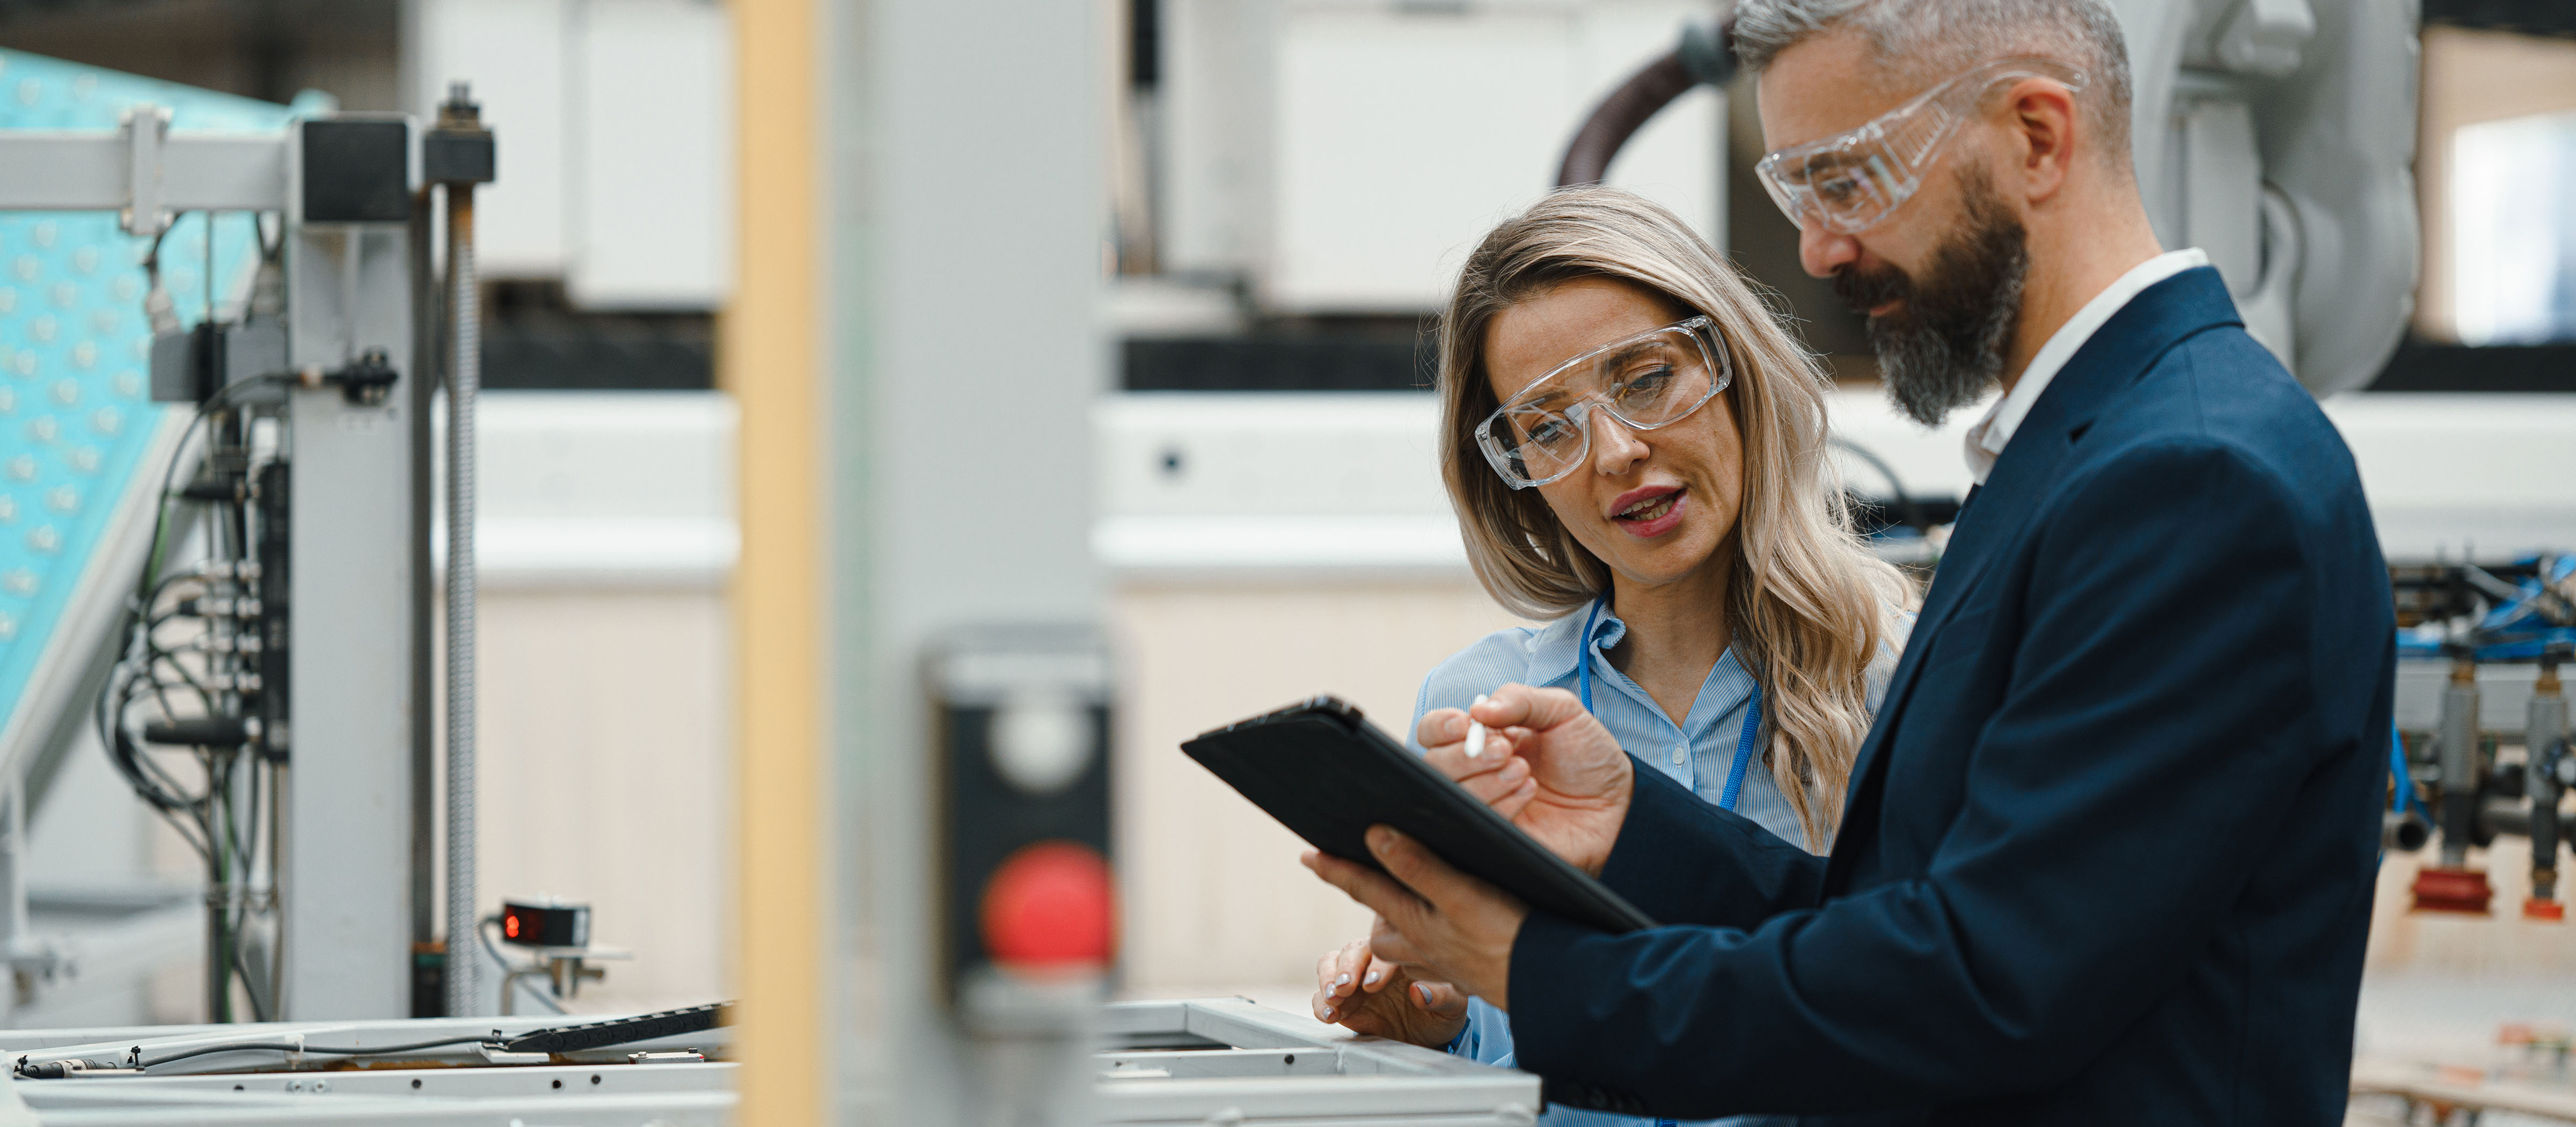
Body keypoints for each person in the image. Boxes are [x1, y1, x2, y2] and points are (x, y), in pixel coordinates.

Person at [1302, 1, 2394, 1123]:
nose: (1821, 250)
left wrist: (1533, 971)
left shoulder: (2191, 478)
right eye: (1797, 194)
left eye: (1849, 179)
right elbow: (1905, 917)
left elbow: (1981, 988)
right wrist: (1633, 822)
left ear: (2035, 136)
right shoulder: (2085, 450)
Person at [1307, 188, 1914, 1127]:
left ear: (1733, 370)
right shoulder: (1481, 703)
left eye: (1643, 378)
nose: (1617, 451)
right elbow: (1514, 1059)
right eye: (1549, 426)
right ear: (1513, 477)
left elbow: (1928, 1023)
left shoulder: (1901, 679)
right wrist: (1436, 1028)